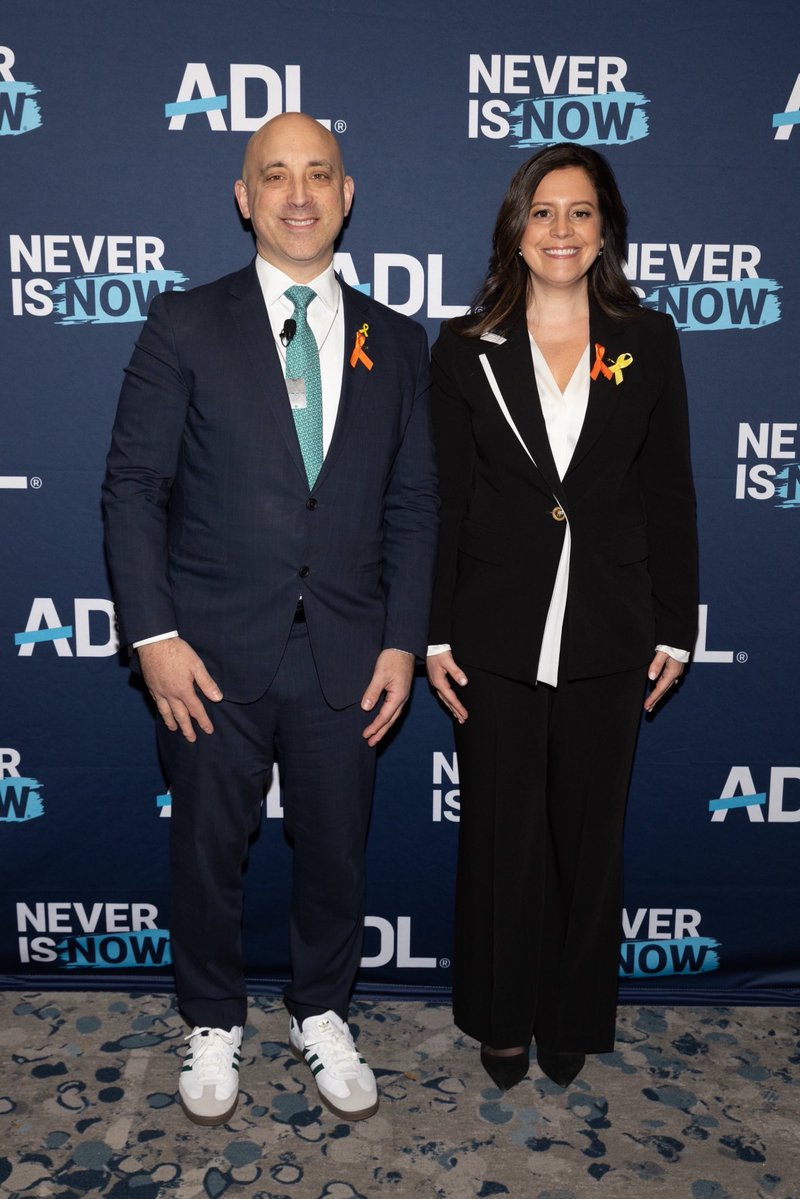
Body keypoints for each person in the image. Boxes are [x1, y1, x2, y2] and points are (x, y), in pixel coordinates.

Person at [102, 113, 438, 1125]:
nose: (299, 194)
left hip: (347, 649)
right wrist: (153, 636)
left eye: (319, 174)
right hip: (206, 651)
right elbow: (133, 487)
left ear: (347, 194)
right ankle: (211, 1016)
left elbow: (413, 503)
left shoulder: (399, 339)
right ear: (244, 198)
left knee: (336, 851)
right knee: (207, 850)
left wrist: (402, 639)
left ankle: (322, 1007)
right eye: (276, 175)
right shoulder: (183, 323)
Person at [426, 143, 698, 1092]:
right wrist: (433, 631)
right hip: (492, 632)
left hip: (613, 631)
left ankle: (573, 1012)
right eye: (543, 211)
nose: (562, 229)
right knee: (501, 837)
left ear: (606, 228)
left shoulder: (648, 338)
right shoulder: (464, 347)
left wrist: (675, 625)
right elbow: (445, 501)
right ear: (516, 227)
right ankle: (502, 1016)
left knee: (591, 837)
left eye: (581, 211)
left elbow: (669, 490)